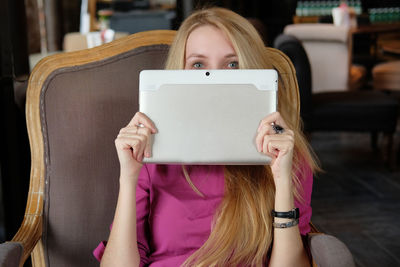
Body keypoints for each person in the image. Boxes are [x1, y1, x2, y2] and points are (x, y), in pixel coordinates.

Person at [95, 7, 319, 267]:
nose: (215, 80)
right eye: (198, 64)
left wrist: (282, 180)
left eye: (232, 64)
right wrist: (128, 176)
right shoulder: (151, 154)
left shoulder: (284, 154)